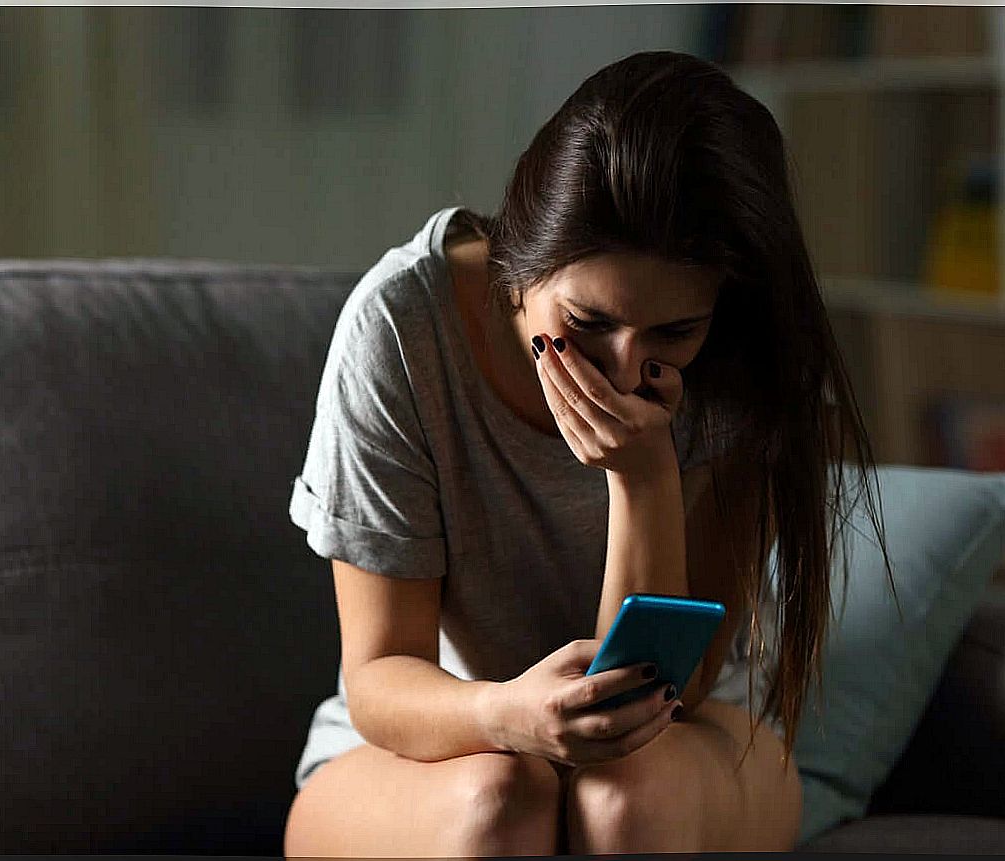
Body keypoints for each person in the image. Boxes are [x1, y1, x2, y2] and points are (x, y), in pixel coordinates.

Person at [282, 50, 891, 857]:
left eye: (673, 333)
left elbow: (660, 694)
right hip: (443, 746)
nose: (624, 366)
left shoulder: (745, 357)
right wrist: (507, 716)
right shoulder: (401, 329)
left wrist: (645, 477)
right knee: (502, 801)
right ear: (519, 274)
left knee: (623, 802)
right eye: (589, 322)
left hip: (684, 739)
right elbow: (381, 674)